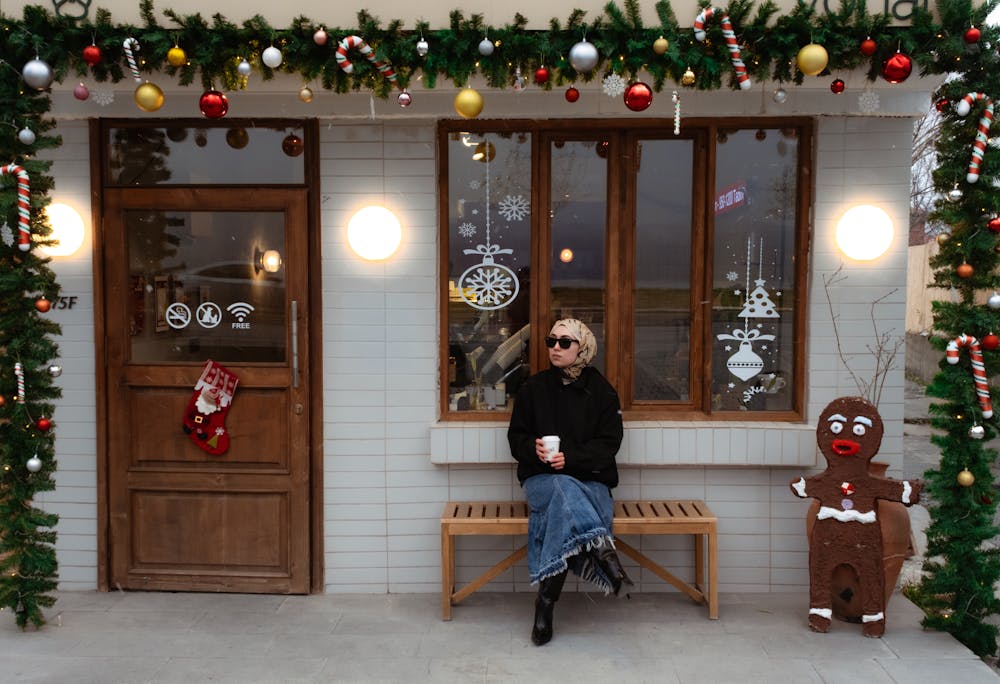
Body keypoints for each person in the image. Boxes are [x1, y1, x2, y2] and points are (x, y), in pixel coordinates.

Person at [507, 318, 631, 646]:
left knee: (563, 508)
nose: (556, 348)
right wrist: (531, 448)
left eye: (565, 342)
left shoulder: (602, 392)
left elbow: (609, 444)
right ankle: (601, 549)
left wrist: (571, 459)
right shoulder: (533, 389)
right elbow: (515, 438)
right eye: (551, 342)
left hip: (590, 480)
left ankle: (545, 605)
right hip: (543, 480)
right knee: (561, 487)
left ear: (583, 348)